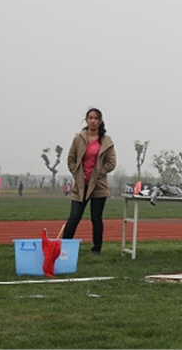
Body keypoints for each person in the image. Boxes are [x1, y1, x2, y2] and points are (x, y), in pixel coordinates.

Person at [62, 108, 117, 255]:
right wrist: (76, 173)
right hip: (81, 185)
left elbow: (111, 163)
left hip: (98, 185)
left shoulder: (106, 141)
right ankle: (64, 247)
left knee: (96, 218)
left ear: (100, 121)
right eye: (90, 118)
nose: (93, 121)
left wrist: (98, 173)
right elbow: (71, 159)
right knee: (74, 217)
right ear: (86, 120)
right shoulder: (78, 139)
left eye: (96, 118)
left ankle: (96, 249)